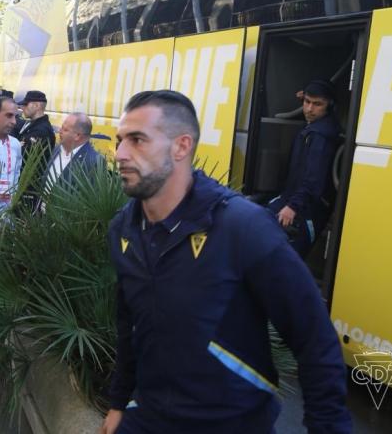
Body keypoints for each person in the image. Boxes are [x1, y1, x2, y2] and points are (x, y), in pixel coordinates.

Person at [100, 90, 351, 434]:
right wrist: (118, 403)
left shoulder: (242, 226)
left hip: (232, 424)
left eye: (137, 140)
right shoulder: (123, 229)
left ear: (181, 146)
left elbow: (314, 338)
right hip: (149, 417)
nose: (120, 153)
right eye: (119, 140)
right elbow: (130, 326)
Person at [267, 80, 341, 257]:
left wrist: (292, 206)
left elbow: (313, 179)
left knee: (285, 262)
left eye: (317, 104)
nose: (309, 109)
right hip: (293, 201)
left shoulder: (320, 136)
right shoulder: (316, 128)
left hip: (304, 211)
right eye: (306, 102)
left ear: (329, 106)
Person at [44, 112, 100, 192]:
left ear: (77, 136)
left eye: (65, 129)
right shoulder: (57, 149)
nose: (60, 131)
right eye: (61, 127)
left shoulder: (94, 161)